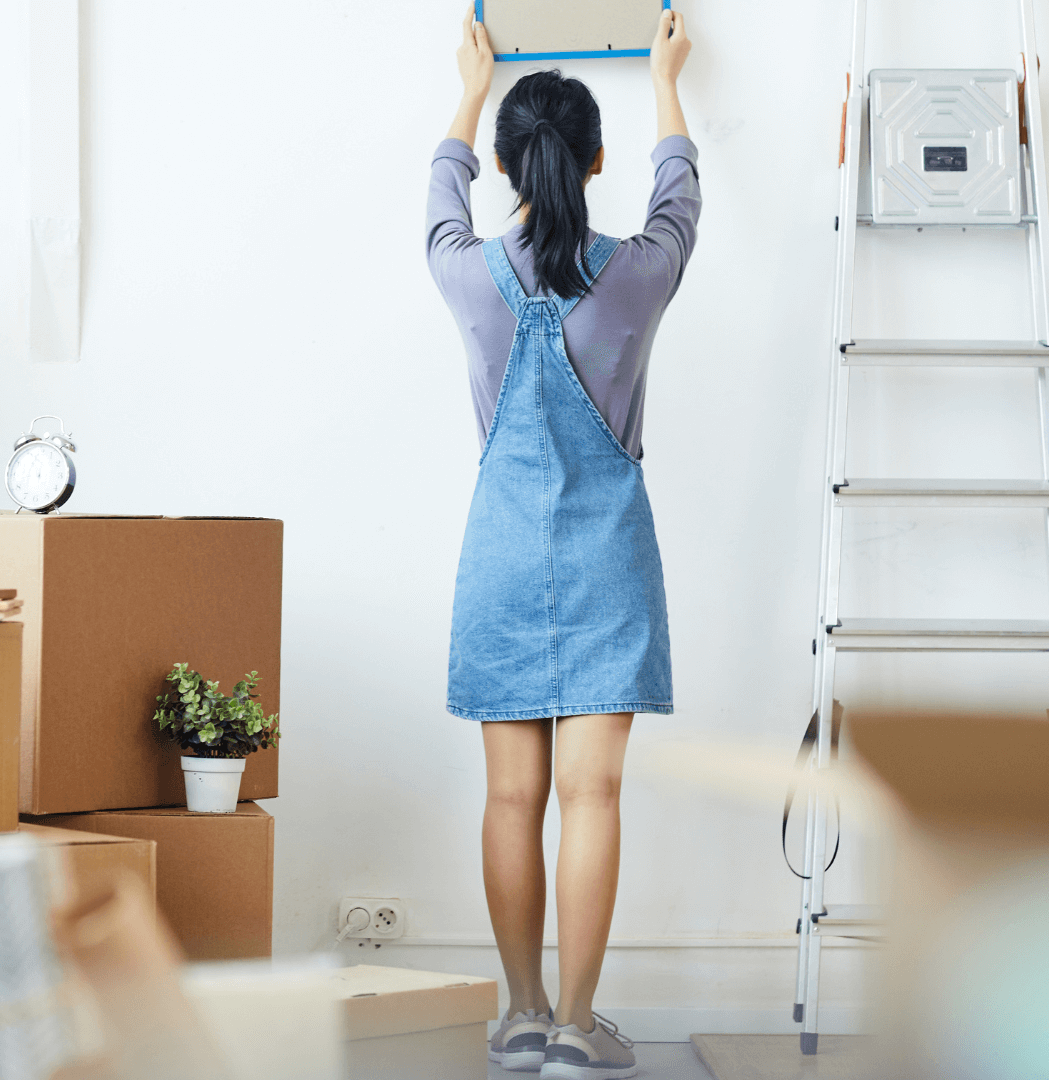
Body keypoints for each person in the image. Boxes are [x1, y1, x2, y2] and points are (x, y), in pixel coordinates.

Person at [425, 8, 697, 1080]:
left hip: (499, 559)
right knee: (593, 796)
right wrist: (667, 78)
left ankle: (523, 1013)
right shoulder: (635, 273)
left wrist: (466, 86)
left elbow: (437, 196)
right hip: (606, 562)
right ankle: (580, 1027)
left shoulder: (465, 274)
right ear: (593, 160)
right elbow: (682, 197)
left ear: (505, 164)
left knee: (509, 799)